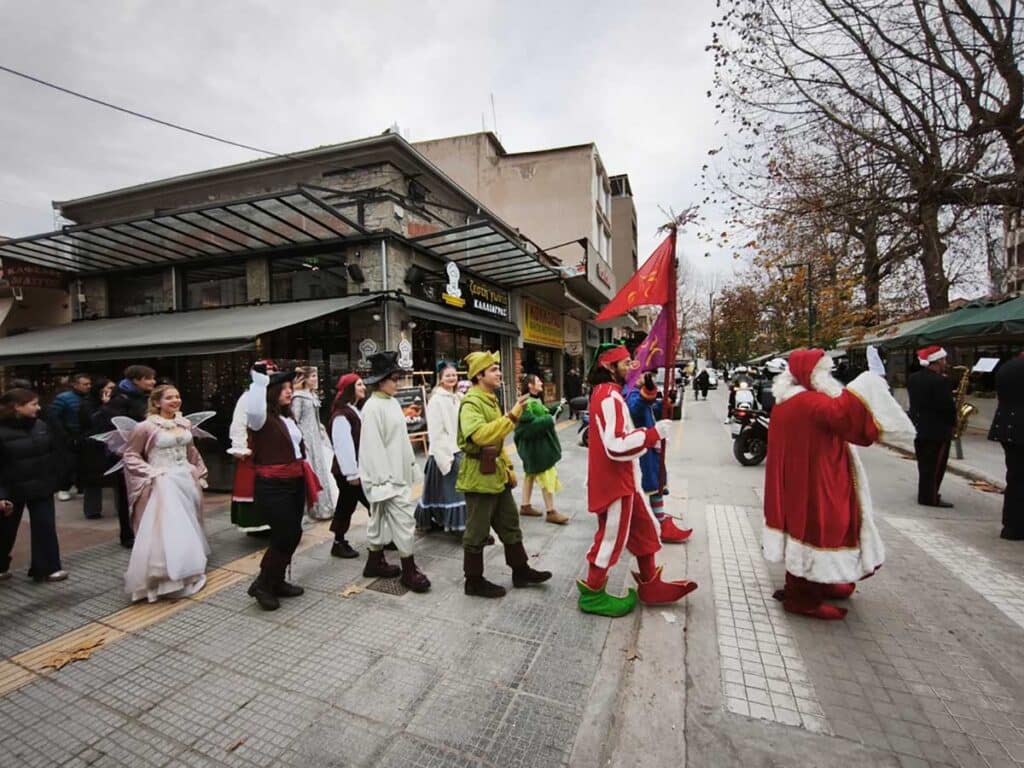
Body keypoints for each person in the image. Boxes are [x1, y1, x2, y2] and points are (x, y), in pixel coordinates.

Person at [764, 348, 913, 620]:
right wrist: (870, 381)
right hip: (815, 480)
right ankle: (802, 597)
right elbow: (847, 416)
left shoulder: (789, 400)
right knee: (817, 528)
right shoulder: (810, 402)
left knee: (808, 529)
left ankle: (821, 578)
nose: (829, 376)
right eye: (825, 371)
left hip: (804, 478)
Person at [578, 344, 697, 617]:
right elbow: (615, 445)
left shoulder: (609, 393)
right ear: (609, 366)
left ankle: (650, 584)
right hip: (615, 483)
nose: (631, 366)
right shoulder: (609, 396)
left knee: (644, 530)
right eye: (626, 362)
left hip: (623, 480)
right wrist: (653, 434)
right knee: (610, 539)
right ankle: (593, 594)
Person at [457, 352, 551, 598]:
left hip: (496, 475)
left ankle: (521, 571)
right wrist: (511, 417)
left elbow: (497, 442)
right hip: (478, 477)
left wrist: (508, 468)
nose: (499, 373)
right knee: (477, 532)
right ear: (479, 375)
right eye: (493, 369)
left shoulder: (490, 398)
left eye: (498, 368)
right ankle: (473, 581)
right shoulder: (471, 402)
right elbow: (479, 435)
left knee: (510, 524)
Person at [121, 385, 211, 603]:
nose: (175, 400)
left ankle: (188, 565)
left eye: (178, 396)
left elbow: (192, 451)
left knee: (190, 522)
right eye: (169, 397)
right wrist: (151, 472)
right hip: (164, 482)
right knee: (169, 527)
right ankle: (167, 574)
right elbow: (130, 455)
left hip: (186, 480)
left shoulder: (184, 423)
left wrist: (199, 470)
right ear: (157, 402)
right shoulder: (145, 427)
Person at [245, 366, 318, 611]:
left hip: (295, 480)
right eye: (284, 389)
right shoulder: (261, 418)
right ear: (271, 392)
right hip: (273, 485)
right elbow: (254, 407)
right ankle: (263, 584)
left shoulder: (287, 417)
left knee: (294, 533)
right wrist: (258, 381)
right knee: (283, 534)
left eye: (290, 388)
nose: (289, 392)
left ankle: (276, 581)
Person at [358, 352, 430, 592]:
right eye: (394, 378)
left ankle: (374, 561)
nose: (397, 383)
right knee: (403, 522)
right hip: (386, 478)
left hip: (393, 474)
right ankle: (409, 570)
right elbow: (371, 448)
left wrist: (409, 467)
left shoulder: (390, 403)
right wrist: (381, 482)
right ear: (382, 380)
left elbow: (401, 440)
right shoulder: (373, 407)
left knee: (378, 520)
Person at [0, 388, 68, 582]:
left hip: (41, 485)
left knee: (45, 526)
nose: (38, 408)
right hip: (11, 489)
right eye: (33, 404)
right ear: (17, 407)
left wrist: (56, 476)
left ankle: (47, 568)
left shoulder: (40, 425)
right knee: (5, 531)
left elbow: (53, 452)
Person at [626, 373, 692, 544]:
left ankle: (657, 522)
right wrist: (647, 393)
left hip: (649, 448)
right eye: (641, 374)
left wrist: (666, 402)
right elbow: (637, 408)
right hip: (642, 450)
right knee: (649, 486)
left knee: (654, 485)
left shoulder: (636, 391)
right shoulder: (629, 393)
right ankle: (658, 524)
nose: (645, 376)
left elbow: (651, 409)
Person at [98, 365, 156, 547]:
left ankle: (147, 531)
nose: (152, 381)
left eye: (152, 378)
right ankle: (129, 534)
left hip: (147, 452)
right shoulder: (119, 400)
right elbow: (116, 429)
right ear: (135, 380)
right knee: (127, 495)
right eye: (148, 378)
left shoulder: (146, 397)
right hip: (127, 455)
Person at [415, 361, 469, 534]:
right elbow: (436, 432)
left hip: (457, 449)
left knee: (440, 492)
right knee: (453, 493)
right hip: (444, 452)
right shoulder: (436, 400)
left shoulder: (457, 397)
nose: (452, 378)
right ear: (440, 378)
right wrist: (445, 457)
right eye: (448, 375)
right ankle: (458, 527)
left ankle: (435, 521)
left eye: (454, 375)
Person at [227, 360, 277, 536]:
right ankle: (257, 524)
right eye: (266, 371)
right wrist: (239, 445)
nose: (269, 374)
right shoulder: (248, 397)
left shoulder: (277, 394)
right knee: (253, 483)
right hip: (255, 446)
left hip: (274, 445)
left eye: (272, 371)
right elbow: (239, 421)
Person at [907, 345, 957, 508]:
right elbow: (947, 407)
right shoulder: (941, 381)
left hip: (919, 427)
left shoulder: (913, 378)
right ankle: (930, 497)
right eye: (944, 359)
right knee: (935, 466)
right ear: (938, 360)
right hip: (937, 429)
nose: (945, 362)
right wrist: (954, 424)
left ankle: (925, 493)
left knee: (924, 464)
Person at [516, 374, 569, 525]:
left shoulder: (532, 400)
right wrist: (548, 419)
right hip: (538, 449)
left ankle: (525, 505)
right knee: (547, 475)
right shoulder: (527, 403)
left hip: (533, 448)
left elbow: (540, 414)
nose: (541, 383)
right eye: (538, 381)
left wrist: (553, 409)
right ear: (530, 385)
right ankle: (551, 511)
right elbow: (530, 425)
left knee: (530, 475)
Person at [291, 366, 339, 523]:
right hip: (307, 438)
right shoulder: (298, 397)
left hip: (317, 436)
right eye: (312, 376)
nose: (315, 379)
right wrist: (302, 439)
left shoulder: (311, 395)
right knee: (313, 470)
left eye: (315, 376)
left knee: (322, 469)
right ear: (304, 378)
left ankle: (325, 507)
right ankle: (315, 508)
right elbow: (295, 420)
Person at [329, 372, 368, 559]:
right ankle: (338, 542)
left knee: (348, 505)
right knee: (350, 505)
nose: (364, 388)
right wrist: (352, 474)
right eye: (359, 385)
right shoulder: (342, 415)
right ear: (350, 388)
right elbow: (343, 446)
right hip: (347, 472)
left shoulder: (353, 409)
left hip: (355, 470)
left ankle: (339, 541)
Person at [990, 352, 1024, 540]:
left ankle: (1010, 524)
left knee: (1015, 478)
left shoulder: (1007, 366)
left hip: (1006, 428)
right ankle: (1017, 526)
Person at [78, 377, 117, 519]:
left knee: (117, 477)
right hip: (93, 444)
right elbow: (91, 422)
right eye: (109, 388)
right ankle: (92, 510)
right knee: (93, 479)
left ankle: (121, 508)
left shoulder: (117, 401)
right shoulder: (88, 404)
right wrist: (104, 406)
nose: (112, 391)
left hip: (112, 442)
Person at [50, 372, 92, 501]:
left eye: (90, 384)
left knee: (84, 462)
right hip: (69, 435)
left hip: (85, 434)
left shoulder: (90, 398)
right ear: (75, 385)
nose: (88, 386)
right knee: (68, 464)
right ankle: (63, 488)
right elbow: (54, 418)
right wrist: (64, 434)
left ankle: (81, 486)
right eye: (85, 384)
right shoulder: (63, 398)